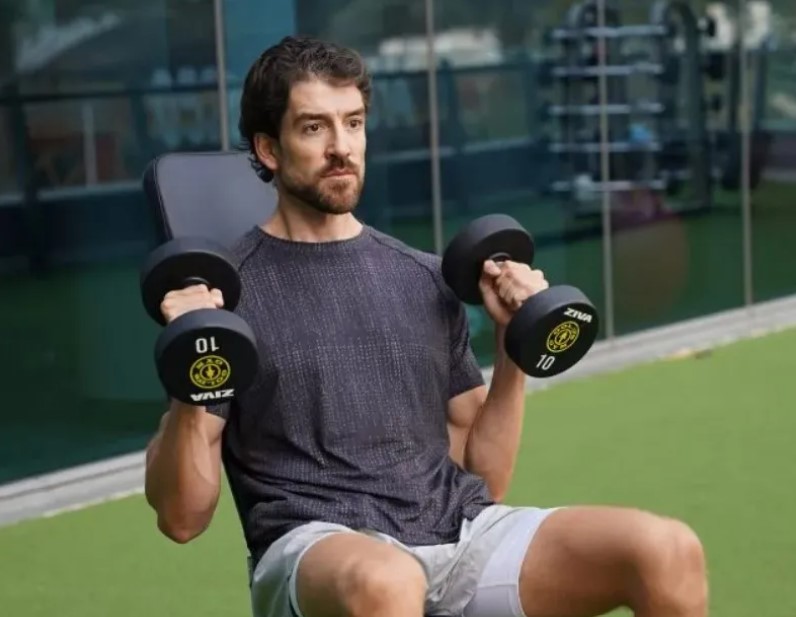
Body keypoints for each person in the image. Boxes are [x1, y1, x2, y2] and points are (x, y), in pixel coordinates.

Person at [143, 35, 708, 617]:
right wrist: (193, 369)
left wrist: (514, 348)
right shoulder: (227, 297)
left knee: (666, 549)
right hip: (319, 546)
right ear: (268, 149)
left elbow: (485, 479)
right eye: (314, 128)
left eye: (353, 123)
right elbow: (182, 519)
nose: (342, 148)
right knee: (386, 582)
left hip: (456, 534)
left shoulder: (423, 278)